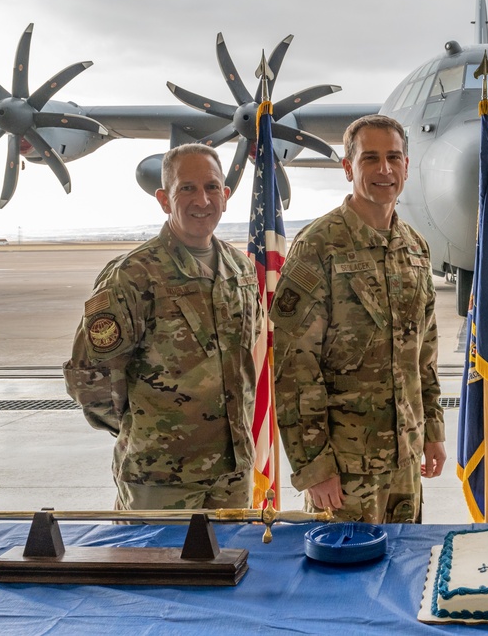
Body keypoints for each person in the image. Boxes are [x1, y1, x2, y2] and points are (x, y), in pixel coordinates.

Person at [63, 143, 261, 510]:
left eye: (211, 187)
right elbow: (88, 380)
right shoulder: (133, 275)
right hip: (160, 479)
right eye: (186, 188)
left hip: (233, 474)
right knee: (154, 568)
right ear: (164, 199)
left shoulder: (241, 270)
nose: (201, 199)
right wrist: (147, 429)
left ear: (226, 194)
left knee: (233, 566)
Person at [271, 114, 445, 524]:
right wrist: (315, 467)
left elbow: (426, 354)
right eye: (370, 158)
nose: (384, 169)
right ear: (348, 167)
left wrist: (433, 432)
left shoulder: (415, 249)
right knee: (341, 581)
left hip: (406, 462)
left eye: (393, 158)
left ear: (406, 165)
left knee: (405, 574)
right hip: (344, 471)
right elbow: (295, 368)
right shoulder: (317, 247)